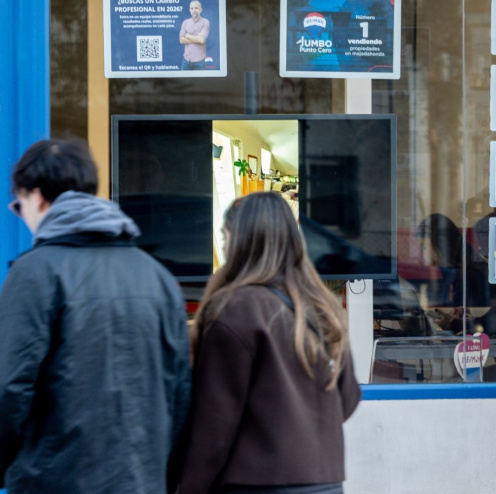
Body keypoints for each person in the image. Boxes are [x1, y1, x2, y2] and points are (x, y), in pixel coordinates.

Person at [0, 139, 191, 493]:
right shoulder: (157, 276)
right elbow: (179, 392)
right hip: (142, 480)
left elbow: (9, 387)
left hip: (58, 481)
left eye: (19, 205)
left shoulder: (35, 273)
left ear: (37, 197)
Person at [176, 192, 361, 494]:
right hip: (325, 483)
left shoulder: (235, 308)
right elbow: (349, 398)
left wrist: (189, 487)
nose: (223, 245)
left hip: (258, 485)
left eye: (225, 236)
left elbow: (214, 425)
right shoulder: (322, 307)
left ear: (240, 241)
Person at [180, 0, 210, 70]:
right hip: (186, 61)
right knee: (182, 80)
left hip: (199, 61)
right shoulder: (185, 22)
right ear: (189, 10)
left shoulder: (205, 22)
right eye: (192, 8)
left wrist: (187, 35)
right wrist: (196, 38)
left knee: (200, 81)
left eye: (196, 8)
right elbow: (181, 40)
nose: (194, 10)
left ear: (200, 9)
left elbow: (201, 40)